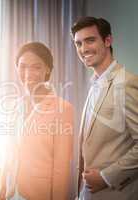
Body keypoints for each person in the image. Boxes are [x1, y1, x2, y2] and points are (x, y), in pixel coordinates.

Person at [71, 16, 138, 200]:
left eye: (90, 40)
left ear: (108, 40)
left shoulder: (126, 83)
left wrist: (106, 177)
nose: (83, 49)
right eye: (78, 43)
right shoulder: (94, 84)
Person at [0, 42, 74, 200]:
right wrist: (2, 187)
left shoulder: (63, 109)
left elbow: (61, 168)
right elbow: (8, 152)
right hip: (11, 193)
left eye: (36, 67)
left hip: (39, 194)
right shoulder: (13, 106)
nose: (28, 73)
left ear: (47, 69)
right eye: (23, 66)